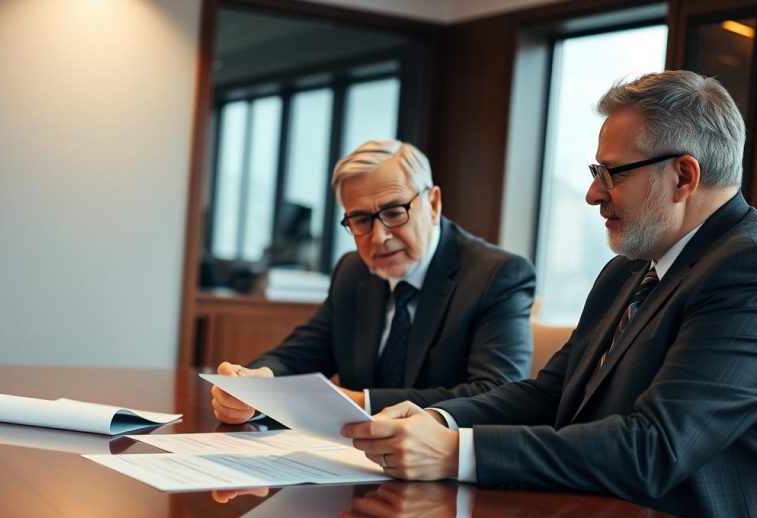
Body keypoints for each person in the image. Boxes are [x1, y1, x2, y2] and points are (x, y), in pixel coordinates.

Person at [342, 71, 757, 518]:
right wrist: (440, 421)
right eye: (594, 172)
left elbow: (653, 450)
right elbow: (551, 394)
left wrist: (453, 452)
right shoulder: (628, 272)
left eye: (611, 173)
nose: (593, 193)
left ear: (683, 176)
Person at [211, 139, 536, 424]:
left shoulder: (498, 275)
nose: (379, 237)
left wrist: (359, 403)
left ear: (434, 204)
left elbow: (495, 393)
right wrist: (254, 387)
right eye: (361, 220)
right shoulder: (354, 271)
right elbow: (297, 355)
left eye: (395, 212)